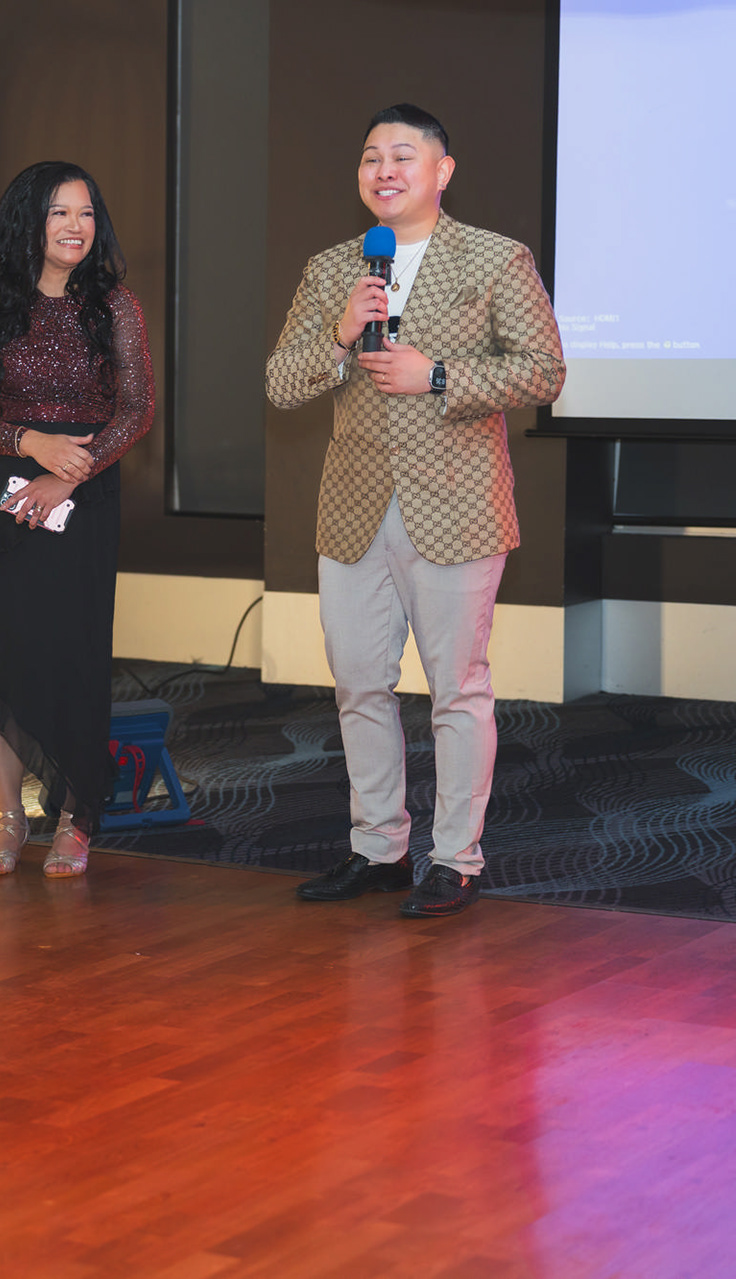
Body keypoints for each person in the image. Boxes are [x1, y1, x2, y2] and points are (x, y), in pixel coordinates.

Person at [266, 103, 565, 918]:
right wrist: (340, 335)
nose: (384, 171)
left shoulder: (496, 259)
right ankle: (379, 850)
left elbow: (544, 370)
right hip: (354, 510)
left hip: (458, 507)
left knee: (457, 691)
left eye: (402, 156)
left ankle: (456, 859)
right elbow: (281, 384)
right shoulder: (334, 268)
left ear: (442, 171)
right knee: (359, 685)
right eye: (371, 157)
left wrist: (438, 376)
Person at [0, 161, 154, 877]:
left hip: (86, 488)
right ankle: (8, 819)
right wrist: (28, 443)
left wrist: (70, 472)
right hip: (7, 489)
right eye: (59, 212)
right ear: (27, 222)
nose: (76, 226)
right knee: (2, 656)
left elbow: (136, 410)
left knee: (73, 652)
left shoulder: (114, 306)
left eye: (86, 213)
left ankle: (75, 817)